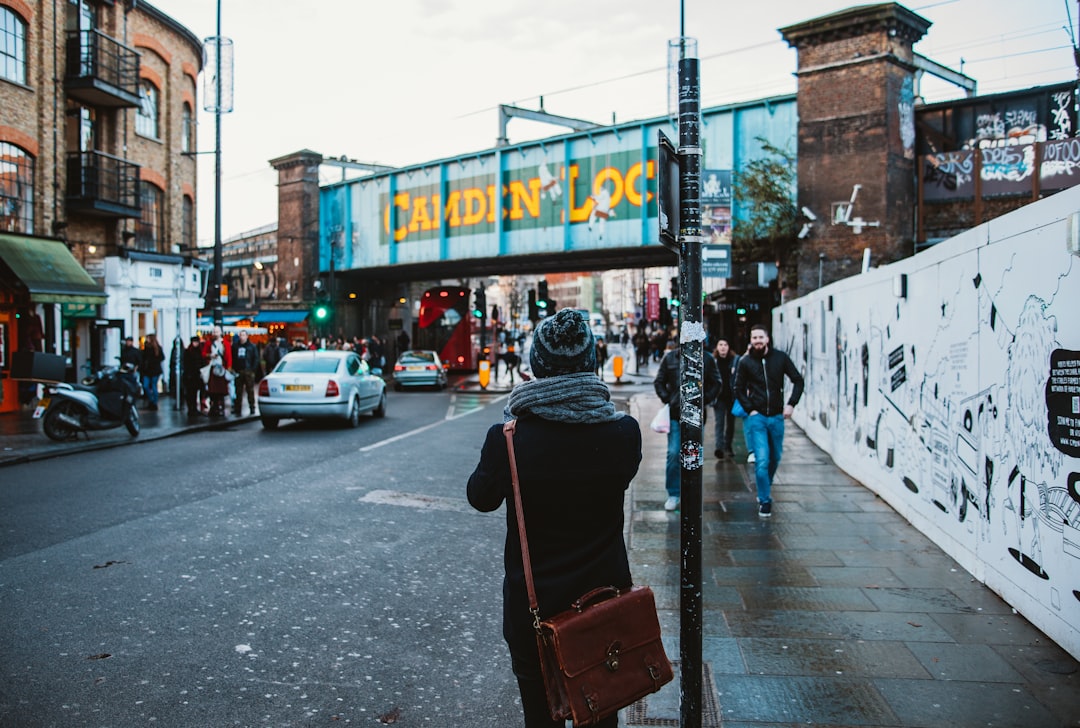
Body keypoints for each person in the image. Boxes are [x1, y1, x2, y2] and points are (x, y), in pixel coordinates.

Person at [467, 309, 641, 728]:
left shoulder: (507, 439)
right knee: (602, 711)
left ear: (536, 367)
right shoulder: (624, 434)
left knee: (540, 717)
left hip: (534, 611)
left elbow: (480, 497)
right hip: (603, 604)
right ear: (591, 363)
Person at [733, 324, 805, 518]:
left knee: (775, 458)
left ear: (767, 339)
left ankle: (764, 485)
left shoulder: (780, 358)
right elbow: (738, 388)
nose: (757, 341)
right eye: (754, 337)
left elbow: (798, 380)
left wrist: (791, 404)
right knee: (762, 460)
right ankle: (765, 499)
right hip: (757, 418)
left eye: (760, 337)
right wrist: (750, 409)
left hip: (776, 417)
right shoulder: (745, 361)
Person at [653, 337, 720, 511]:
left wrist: (704, 400)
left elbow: (716, 383)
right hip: (676, 415)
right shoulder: (670, 358)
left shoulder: (707, 358)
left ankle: (691, 491)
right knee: (674, 453)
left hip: (697, 416)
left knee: (693, 455)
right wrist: (669, 399)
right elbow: (659, 381)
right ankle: (674, 493)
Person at [711, 338, 736, 459]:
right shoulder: (713, 361)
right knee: (719, 423)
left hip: (731, 397)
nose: (723, 347)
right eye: (720, 344)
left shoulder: (735, 361)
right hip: (719, 397)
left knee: (731, 424)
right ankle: (719, 447)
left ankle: (728, 446)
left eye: (725, 344)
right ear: (717, 347)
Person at [231, 330, 259, 416]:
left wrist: (252, 369)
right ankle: (237, 408)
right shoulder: (235, 346)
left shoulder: (252, 346)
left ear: (247, 336)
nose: (242, 337)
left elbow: (256, 358)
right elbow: (233, 357)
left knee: (250, 390)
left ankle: (252, 407)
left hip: (248, 370)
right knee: (238, 391)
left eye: (243, 335)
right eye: (241, 335)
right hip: (238, 370)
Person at [182, 335, 207, 416]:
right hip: (190, 376)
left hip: (197, 375)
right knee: (190, 393)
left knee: (195, 392)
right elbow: (186, 364)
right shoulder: (188, 351)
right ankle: (191, 408)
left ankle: (194, 408)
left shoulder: (199, 351)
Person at [140, 333, 165, 410]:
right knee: (146, 385)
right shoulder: (147, 348)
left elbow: (161, 357)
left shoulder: (156, 349)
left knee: (152, 386)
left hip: (153, 370)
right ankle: (152, 401)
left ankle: (154, 402)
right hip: (148, 370)